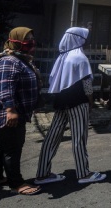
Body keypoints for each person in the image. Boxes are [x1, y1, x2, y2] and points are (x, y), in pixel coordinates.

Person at [35, 27, 106, 185]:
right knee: (79, 138)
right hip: (78, 103)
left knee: (52, 137)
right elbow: (87, 85)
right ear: (78, 39)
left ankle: (42, 174)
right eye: (84, 38)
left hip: (61, 102)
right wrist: (90, 102)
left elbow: (54, 81)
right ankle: (83, 173)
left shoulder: (62, 57)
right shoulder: (80, 58)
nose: (86, 41)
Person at [0, 27, 42, 195]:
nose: (31, 44)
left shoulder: (20, 59)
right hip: (6, 112)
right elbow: (5, 88)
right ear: (15, 42)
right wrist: (10, 109)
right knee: (13, 148)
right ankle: (16, 183)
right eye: (27, 41)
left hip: (15, 111)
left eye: (32, 40)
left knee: (2, 145)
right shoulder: (9, 61)